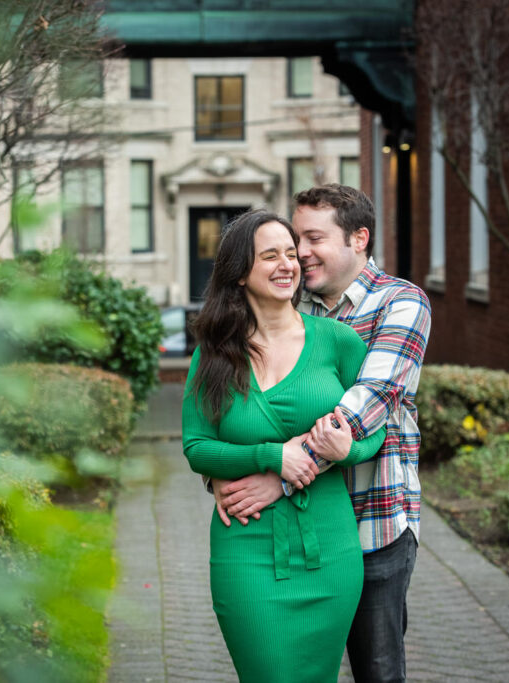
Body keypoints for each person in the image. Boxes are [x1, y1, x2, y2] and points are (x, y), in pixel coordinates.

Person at [212, 185, 432, 683]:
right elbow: (245, 409)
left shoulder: (401, 303)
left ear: (359, 238)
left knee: (377, 671)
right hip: (291, 532)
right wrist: (228, 469)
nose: (300, 253)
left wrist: (278, 476)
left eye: (312, 239)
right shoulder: (292, 305)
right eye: (295, 240)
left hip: (370, 526)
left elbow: (361, 410)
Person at [182, 208, 386, 682]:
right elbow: (196, 447)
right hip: (245, 547)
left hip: (330, 549)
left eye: (291, 254)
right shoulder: (213, 353)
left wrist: (345, 450)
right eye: (269, 255)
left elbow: (374, 433)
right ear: (239, 274)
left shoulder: (337, 341)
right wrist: (273, 456)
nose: (287, 265)